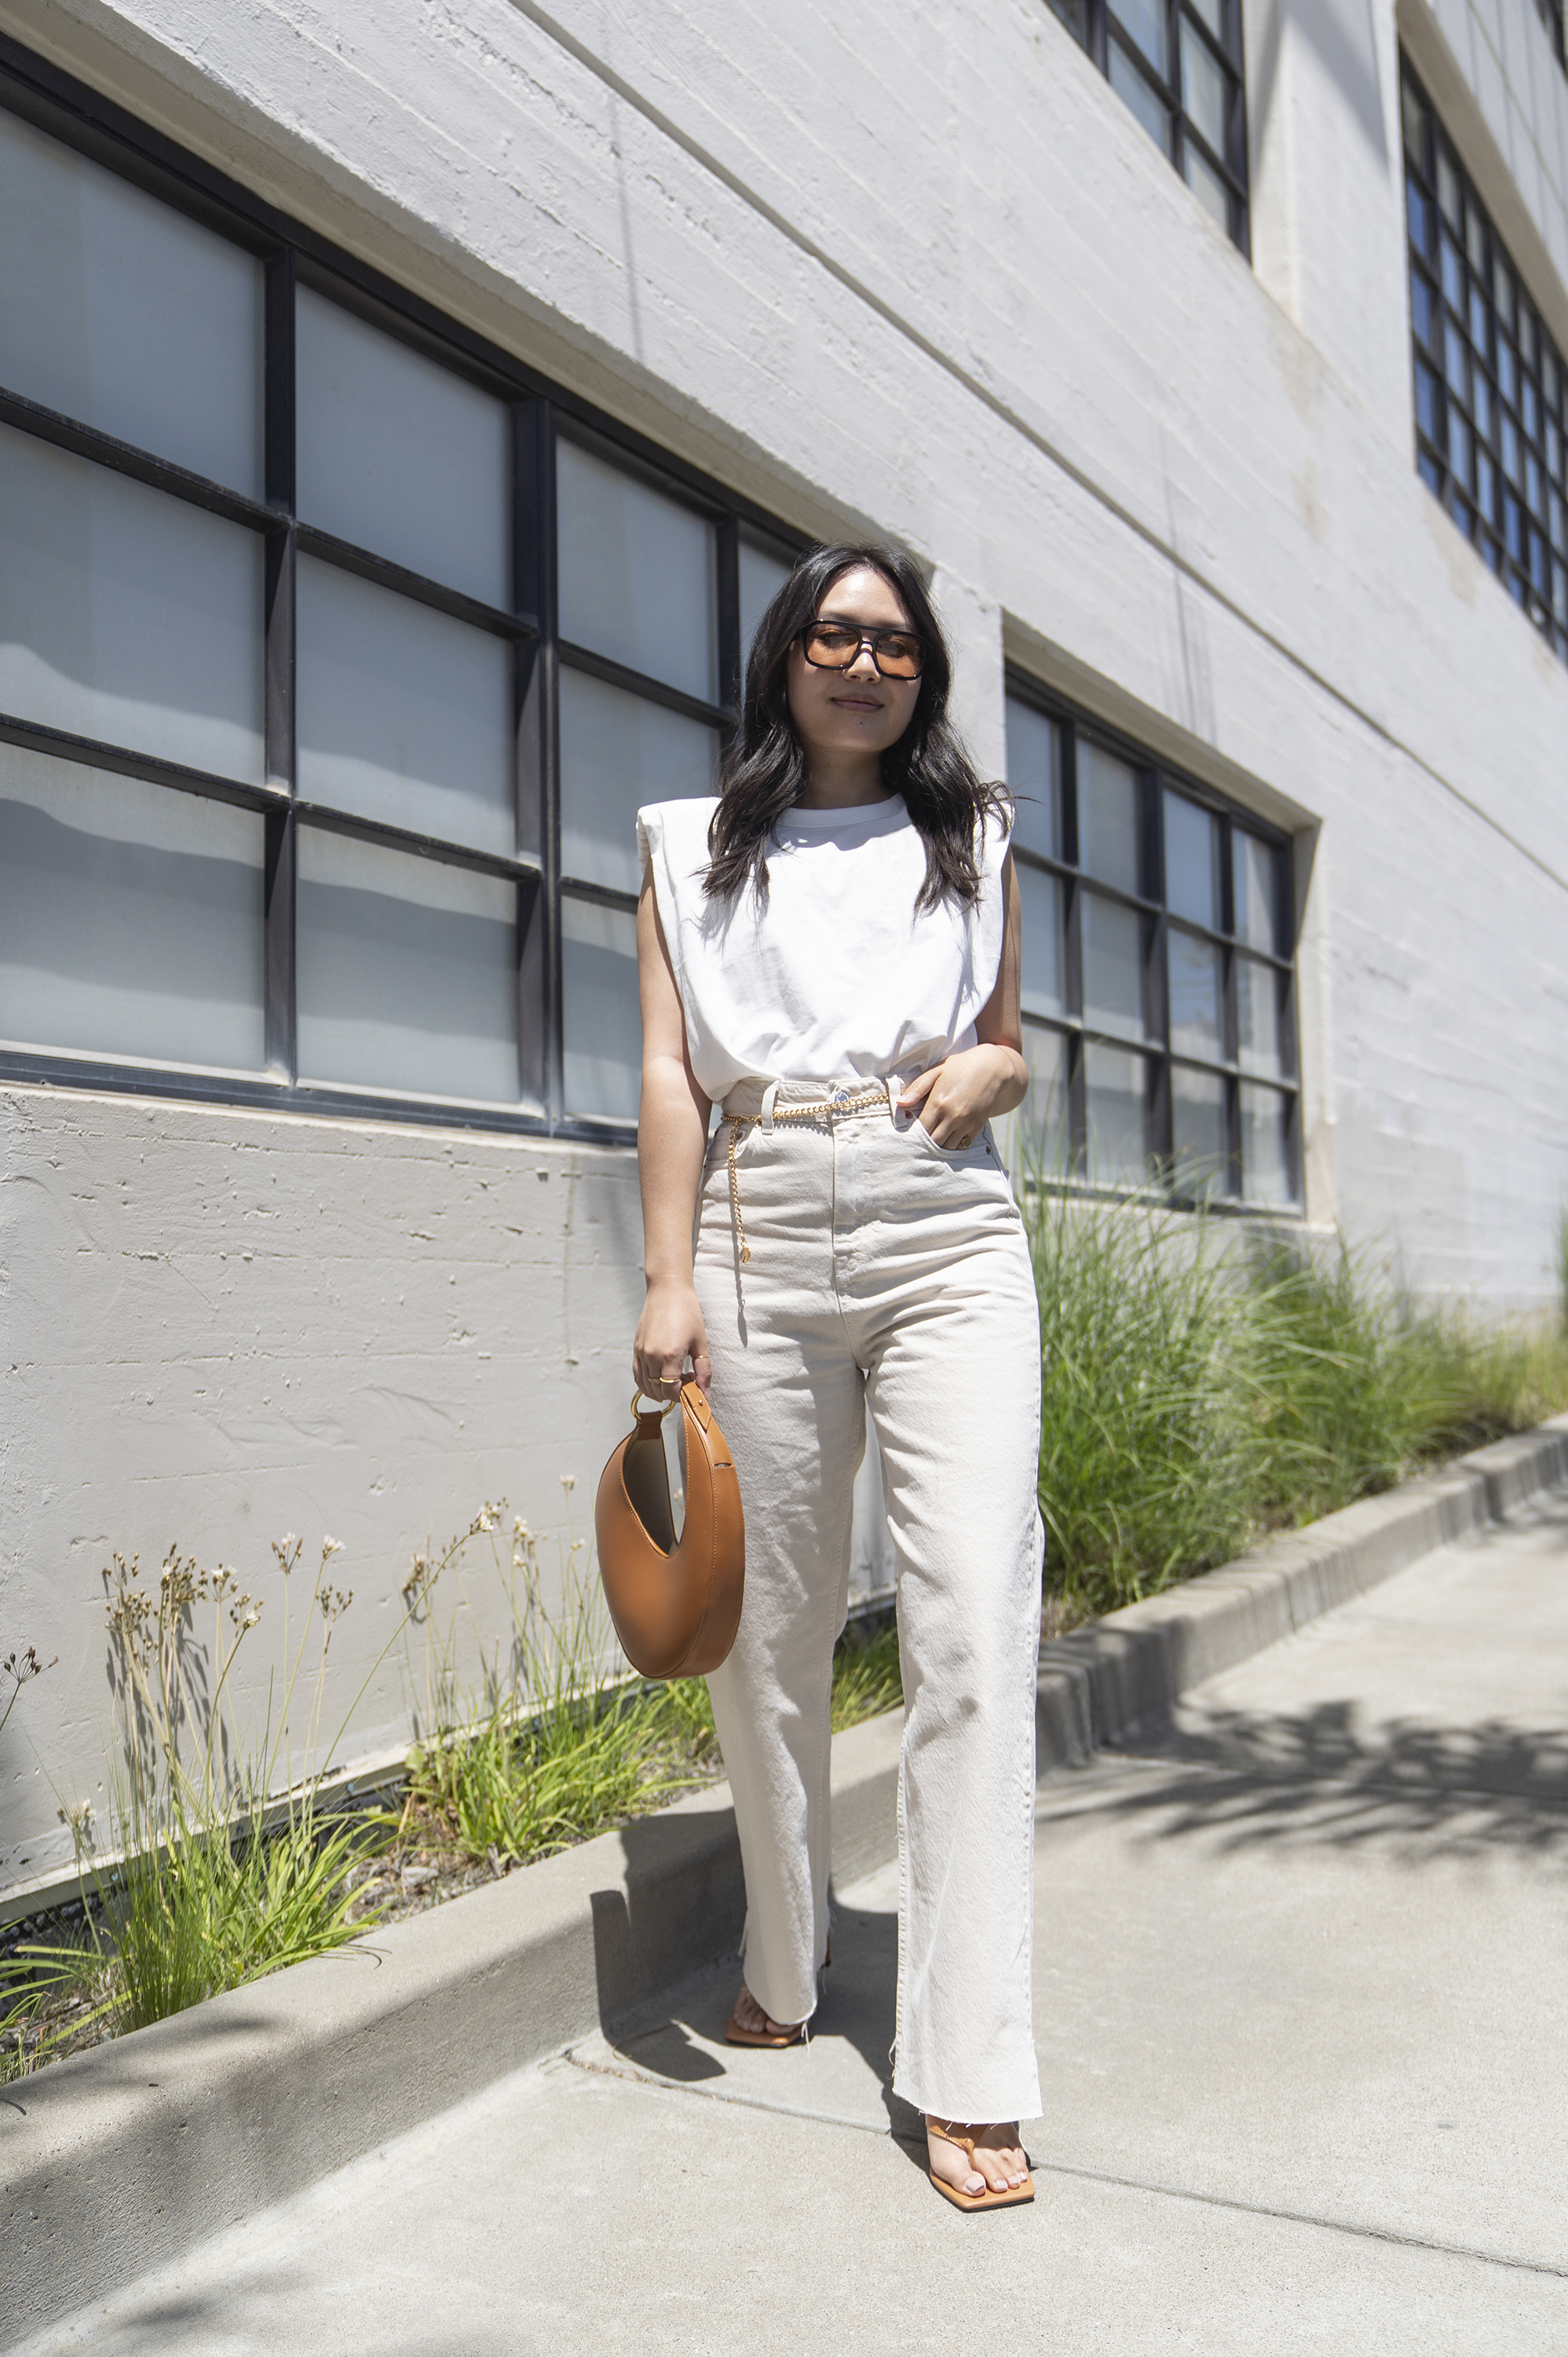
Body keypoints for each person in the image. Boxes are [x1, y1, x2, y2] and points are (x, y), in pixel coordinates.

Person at [632, 543, 1043, 2212]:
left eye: (893, 643)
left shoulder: (975, 836)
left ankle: (969, 2065)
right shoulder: (684, 846)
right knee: (768, 1624)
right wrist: (664, 1281)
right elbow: (667, 1073)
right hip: (754, 1218)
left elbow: (1013, 1039)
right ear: (781, 655)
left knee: (968, 1623)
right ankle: (788, 1958)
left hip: (945, 1232)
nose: (863, 662)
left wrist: (992, 1071)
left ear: (923, 672)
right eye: (833, 633)